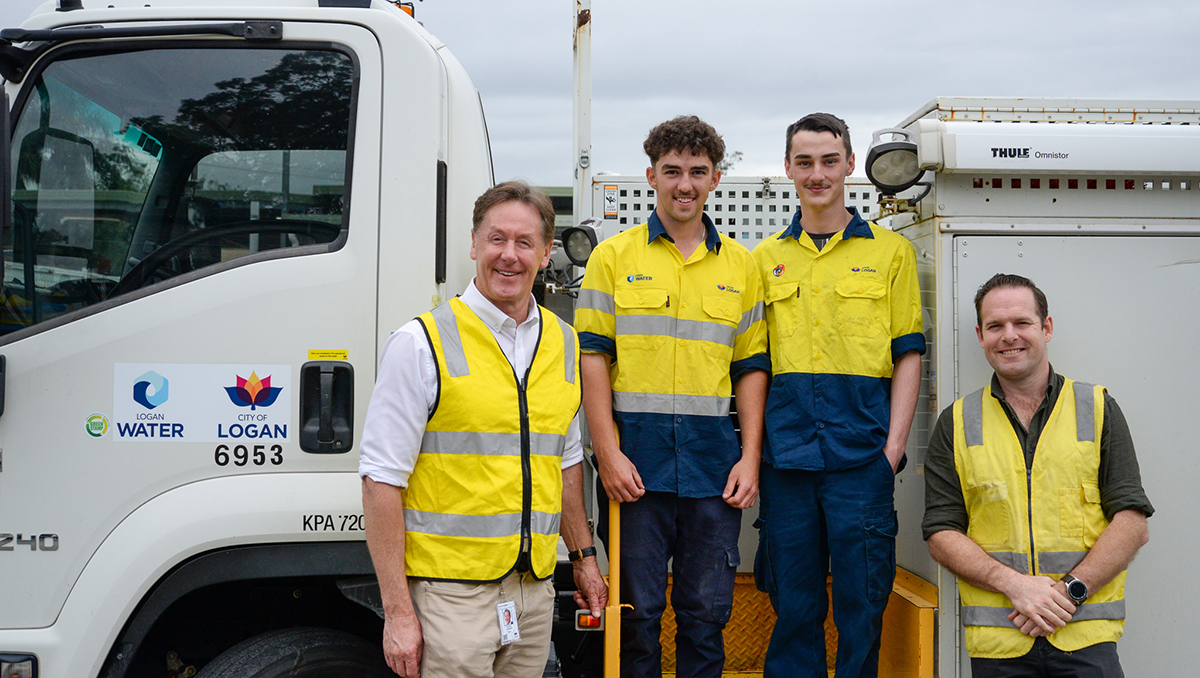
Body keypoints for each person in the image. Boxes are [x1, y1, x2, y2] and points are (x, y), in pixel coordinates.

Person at [360, 181, 607, 678]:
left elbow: (566, 459)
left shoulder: (563, 343)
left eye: (524, 243)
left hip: (532, 595)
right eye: (496, 240)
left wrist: (582, 557)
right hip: (450, 596)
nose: (508, 256)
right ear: (473, 244)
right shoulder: (420, 342)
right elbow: (380, 480)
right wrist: (399, 612)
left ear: (544, 253)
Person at [575, 115, 769, 678]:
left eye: (698, 172)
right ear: (651, 176)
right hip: (636, 468)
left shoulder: (742, 265)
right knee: (636, 618)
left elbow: (751, 368)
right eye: (673, 171)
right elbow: (593, 360)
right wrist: (607, 453)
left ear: (715, 180)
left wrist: (750, 459)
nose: (685, 183)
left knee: (706, 619)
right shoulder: (612, 258)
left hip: (714, 470)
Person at [750, 112, 925, 678]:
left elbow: (908, 355)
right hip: (787, 462)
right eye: (804, 162)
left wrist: (892, 451)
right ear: (788, 169)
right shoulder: (763, 260)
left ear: (850, 165)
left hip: (862, 461)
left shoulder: (890, 253)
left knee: (862, 607)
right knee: (794, 608)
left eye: (829, 161)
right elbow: (753, 363)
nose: (817, 174)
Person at [923, 273, 1153, 678]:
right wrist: (1015, 585)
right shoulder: (956, 422)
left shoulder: (1097, 408)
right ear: (980, 335)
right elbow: (942, 534)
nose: (1008, 336)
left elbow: (1132, 523)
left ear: (1046, 327)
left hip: (1085, 638)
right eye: (995, 326)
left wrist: (1070, 592)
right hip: (1001, 641)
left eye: (1021, 323)